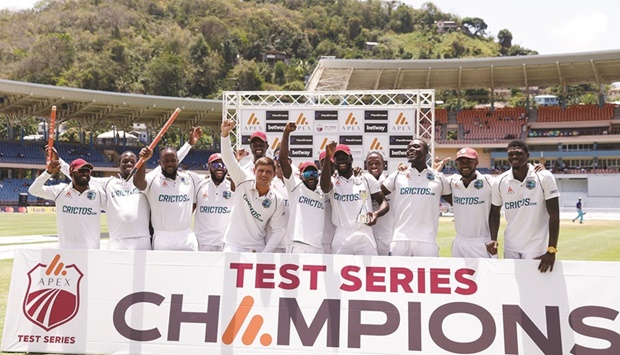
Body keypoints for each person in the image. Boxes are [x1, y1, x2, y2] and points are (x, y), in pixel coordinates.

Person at [52, 128, 201, 250]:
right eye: (125, 161)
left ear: (138, 163)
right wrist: (58, 162)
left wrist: (189, 143)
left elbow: (172, 160)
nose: (129, 163)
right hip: (118, 241)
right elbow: (77, 174)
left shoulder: (147, 180)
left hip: (143, 240)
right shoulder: (109, 183)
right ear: (118, 164)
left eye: (132, 161)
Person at [489, 140, 560, 273]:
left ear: (527, 155)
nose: (514, 157)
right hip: (511, 246)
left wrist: (551, 249)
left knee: (534, 289)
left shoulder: (544, 177)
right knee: (513, 288)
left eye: (519, 153)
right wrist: (493, 239)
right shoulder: (500, 181)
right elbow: (494, 212)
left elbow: (554, 216)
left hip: (536, 246)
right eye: (510, 154)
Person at [220, 119, 287, 253]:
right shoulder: (242, 180)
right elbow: (228, 159)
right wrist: (225, 135)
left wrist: (265, 253)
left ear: (274, 175)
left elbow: (278, 230)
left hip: (257, 248)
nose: (264, 174)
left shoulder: (277, 200)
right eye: (260, 171)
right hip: (233, 246)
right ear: (253, 171)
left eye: (268, 172)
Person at [381, 138, 450, 257]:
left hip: (427, 240)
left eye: (416, 147)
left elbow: (455, 201)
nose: (411, 149)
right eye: (408, 148)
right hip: (399, 238)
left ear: (426, 152)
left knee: (428, 275)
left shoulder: (438, 177)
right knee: (397, 274)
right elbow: (376, 194)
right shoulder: (398, 174)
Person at [320, 142, 389, 255]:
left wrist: (376, 214)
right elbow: (324, 187)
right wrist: (328, 155)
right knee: (339, 271)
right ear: (334, 162)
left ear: (351, 159)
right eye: (338, 159)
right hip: (342, 235)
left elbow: (384, 203)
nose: (341, 161)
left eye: (344, 158)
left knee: (369, 271)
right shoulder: (332, 181)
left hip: (365, 233)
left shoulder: (366, 178)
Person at [133, 145, 202, 251]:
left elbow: (212, 179)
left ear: (178, 161)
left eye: (173, 160)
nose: (170, 164)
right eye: (166, 161)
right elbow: (138, 183)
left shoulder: (190, 178)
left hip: (186, 237)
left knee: (191, 267)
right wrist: (143, 161)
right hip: (163, 238)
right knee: (162, 268)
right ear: (159, 162)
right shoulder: (152, 179)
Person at [28, 158, 106, 249]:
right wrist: (48, 173)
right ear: (71, 173)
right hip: (66, 253)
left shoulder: (99, 193)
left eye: (87, 171)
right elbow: (33, 190)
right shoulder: (60, 191)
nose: (85, 173)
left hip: (92, 252)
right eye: (81, 170)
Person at [279, 122, 326, 254]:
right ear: (300, 176)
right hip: (298, 245)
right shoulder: (295, 187)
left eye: (314, 173)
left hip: (317, 246)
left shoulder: (322, 192)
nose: (311, 176)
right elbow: (283, 159)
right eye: (307, 173)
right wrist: (286, 133)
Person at [445, 147, 496, 258]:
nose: (464, 164)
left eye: (469, 161)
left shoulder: (489, 182)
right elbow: (434, 183)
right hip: (459, 242)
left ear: (476, 162)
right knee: (457, 275)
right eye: (461, 161)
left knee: (485, 275)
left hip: (482, 242)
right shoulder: (452, 182)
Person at [193, 153, 234, 251]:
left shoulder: (232, 187)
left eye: (222, 165)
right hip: (201, 242)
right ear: (209, 167)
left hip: (224, 243)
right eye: (215, 165)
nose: (219, 168)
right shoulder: (199, 186)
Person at [365, 151, 393, 256]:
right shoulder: (359, 182)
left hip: (386, 237)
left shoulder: (391, 182)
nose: (374, 166)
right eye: (370, 163)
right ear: (366, 165)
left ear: (384, 165)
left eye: (377, 163)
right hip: (365, 237)